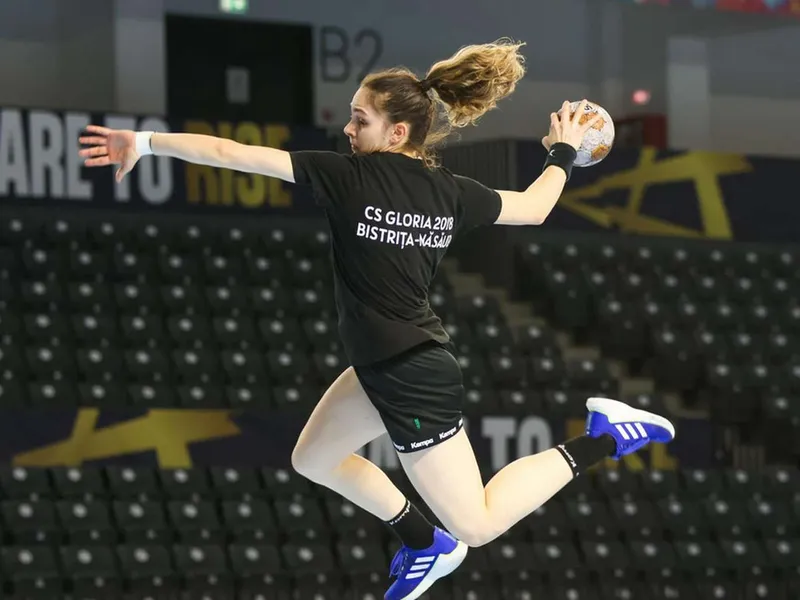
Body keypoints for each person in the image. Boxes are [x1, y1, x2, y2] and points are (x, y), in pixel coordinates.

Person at [79, 38, 675, 600]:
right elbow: (536, 206)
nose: (347, 127)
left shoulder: (350, 176)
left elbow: (233, 154)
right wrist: (562, 154)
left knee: (480, 525)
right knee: (313, 460)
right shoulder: (449, 190)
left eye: (359, 118)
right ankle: (424, 542)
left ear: (396, 132)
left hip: (411, 375)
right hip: (383, 363)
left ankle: (604, 437)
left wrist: (147, 143)